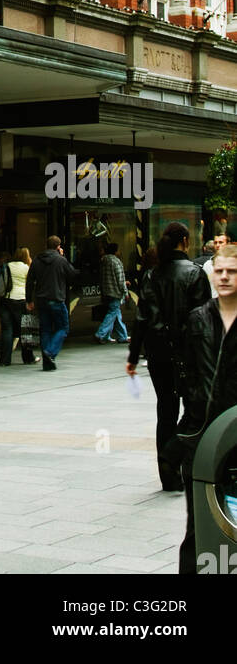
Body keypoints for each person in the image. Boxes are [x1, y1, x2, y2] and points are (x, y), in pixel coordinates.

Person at [126, 221, 211, 492]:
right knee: (192, 411)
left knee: (166, 409)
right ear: (185, 240)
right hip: (186, 355)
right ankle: (180, 464)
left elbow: (143, 317)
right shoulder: (194, 274)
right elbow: (201, 321)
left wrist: (133, 353)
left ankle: (168, 475)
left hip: (158, 354)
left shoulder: (152, 275)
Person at [176, 245, 237, 574]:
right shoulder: (198, 318)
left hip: (234, 438)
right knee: (198, 526)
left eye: (233, 271)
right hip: (202, 438)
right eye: (220, 270)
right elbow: (187, 374)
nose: (225, 277)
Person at [25, 235, 80, 371]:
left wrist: (29, 300)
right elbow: (72, 274)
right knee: (63, 328)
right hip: (56, 298)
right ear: (58, 247)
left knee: (45, 330)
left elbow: (30, 281)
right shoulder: (60, 260)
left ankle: (47, 360)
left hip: (41, 300)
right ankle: (50, 353)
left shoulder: (37, 260)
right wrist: (63, 257)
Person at [0, 246, 39, 366]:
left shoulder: (7, 266)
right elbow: (31, 283)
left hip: (7, 299)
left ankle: (4, 360)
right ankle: (28, 358)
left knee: (7, 331)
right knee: (25, 330)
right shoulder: (26, 268)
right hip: (21, 299)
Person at [95, 242, 129, 344]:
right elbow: (120, 279)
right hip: (115, 292)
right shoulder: (116, 262)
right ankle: (100, 333)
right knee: (112, 313)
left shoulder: (103, 261)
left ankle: (122, 336)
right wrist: (125, 292)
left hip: (106, 291)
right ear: (115, 251)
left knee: (116, 313)